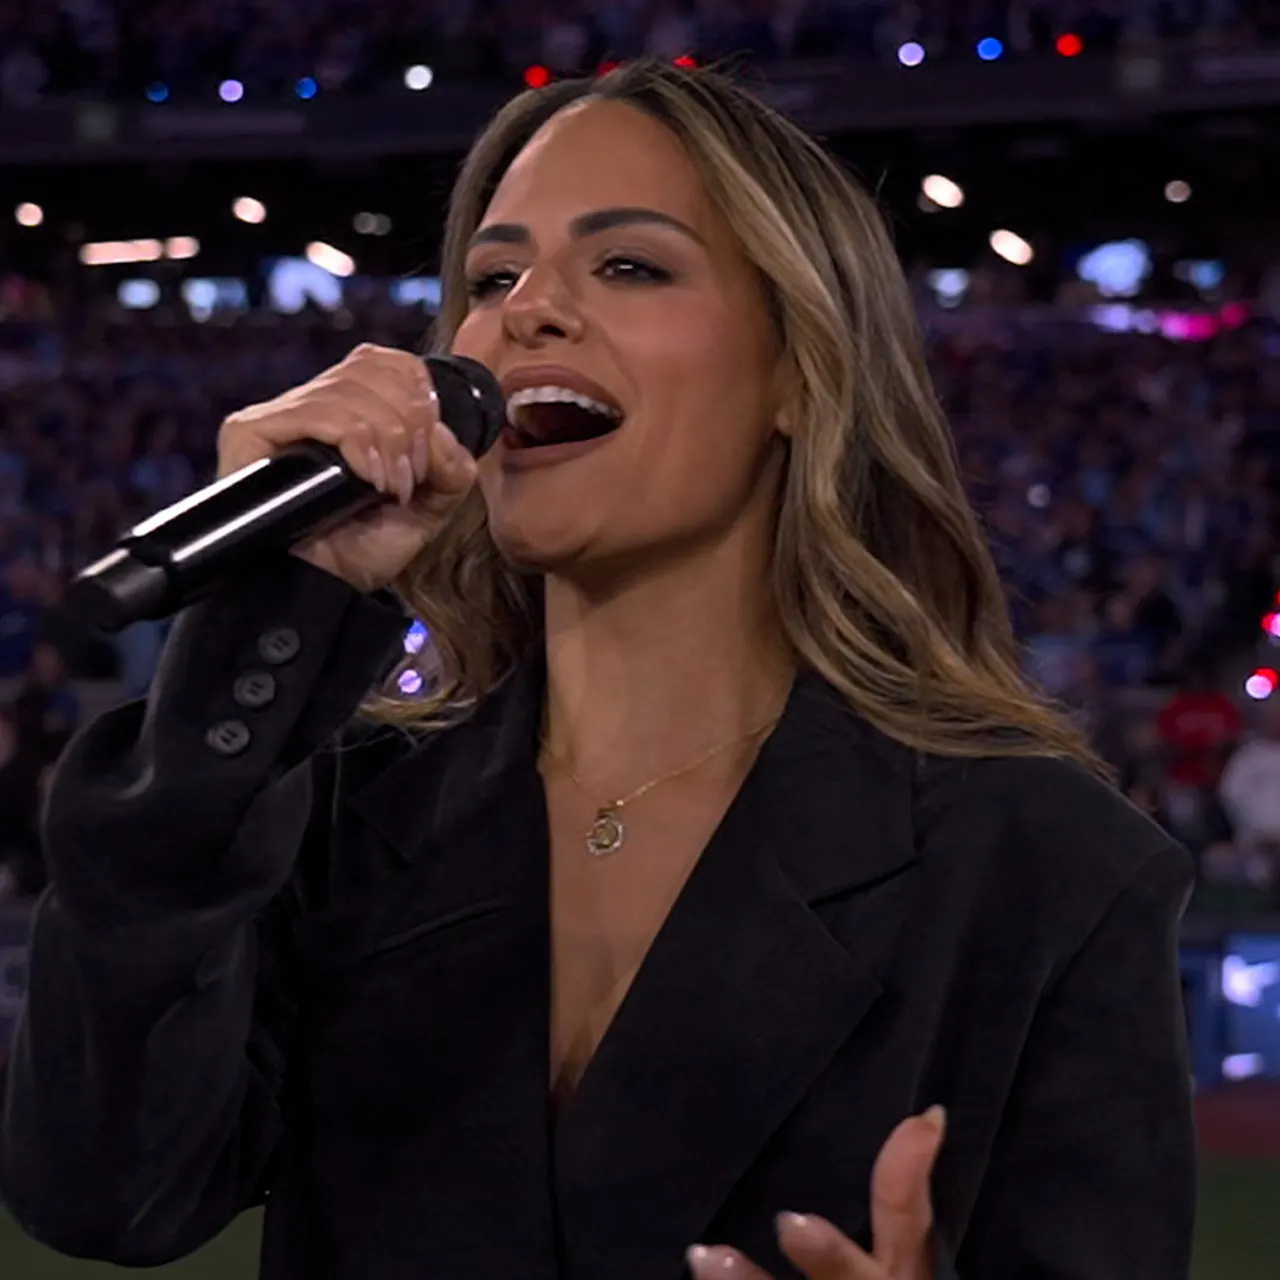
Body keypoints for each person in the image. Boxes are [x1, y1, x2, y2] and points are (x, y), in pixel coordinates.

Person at [0, 60, 1195, 1280]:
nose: (526, 309)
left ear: (798, 366)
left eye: (628, 264)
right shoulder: (336, 818)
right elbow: (105, 1191)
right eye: (488, 276)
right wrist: (273, 603)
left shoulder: (1045, 865)